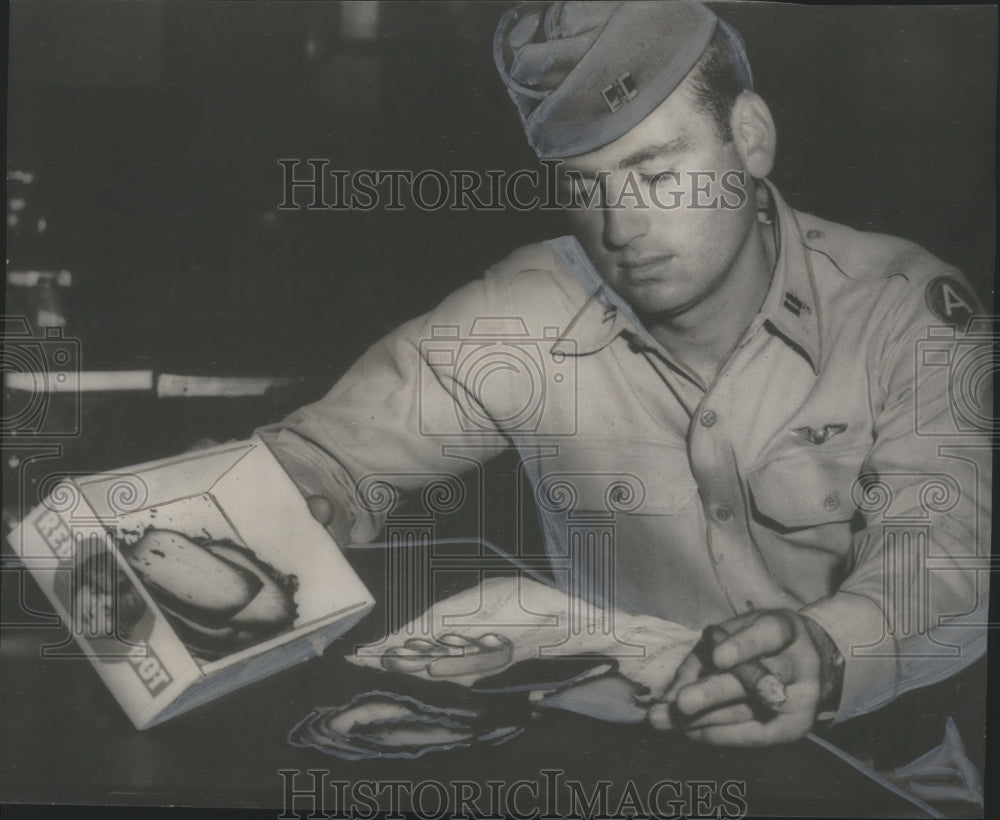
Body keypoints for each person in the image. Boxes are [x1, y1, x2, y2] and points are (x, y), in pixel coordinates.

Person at [257, 0, 991, 747]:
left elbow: (952, 547)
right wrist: (289, 501)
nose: (622, 229)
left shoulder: (902, 311)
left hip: (875, 752)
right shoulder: (522, 315)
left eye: (658, 174)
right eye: (585, 187)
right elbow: (324, 460)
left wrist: (833, 652)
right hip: (624, 763)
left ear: (750, 136)